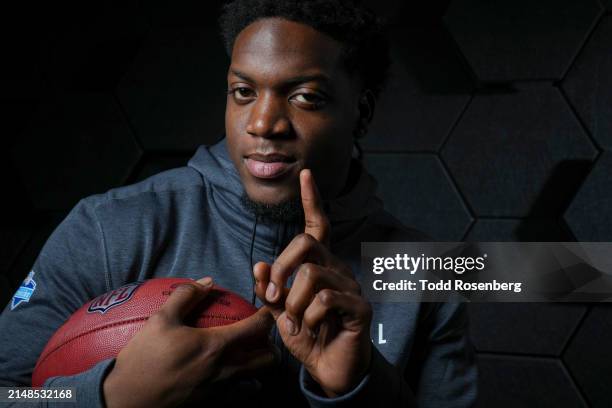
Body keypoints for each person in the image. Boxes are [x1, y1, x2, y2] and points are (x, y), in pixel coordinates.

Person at [0, 0, 477, 406]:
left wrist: (361, 386)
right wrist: (107, 395)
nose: (264, 123)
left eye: (305, 96)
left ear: (362, 110)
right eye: (244, 92)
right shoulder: (109, 226)